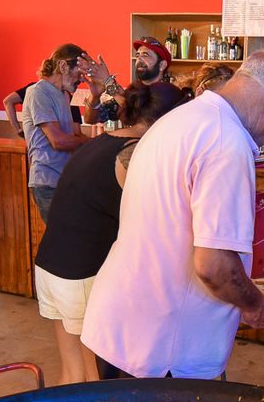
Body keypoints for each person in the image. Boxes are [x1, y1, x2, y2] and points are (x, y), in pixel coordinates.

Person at [81, 51, 264, 379]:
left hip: (121, 325)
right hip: (164, 349)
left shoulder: (181, 117)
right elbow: (213, 266)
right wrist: (253, 304)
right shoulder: (227, 142)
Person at [34, 82, 188, 384]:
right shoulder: (135, 154)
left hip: (51, 267)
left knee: (72, 371)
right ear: (170, 121)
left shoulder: (102, 141)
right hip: (82, 274)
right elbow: (154, 226)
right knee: (95, 384)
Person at [21, 45, 98, 218]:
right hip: (47, 183)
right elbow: (59, 141)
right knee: (64, 240)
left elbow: (73, 136)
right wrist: (93, 142)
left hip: (64, 180)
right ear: (63, 66)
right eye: (79, 73)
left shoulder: (63, 94)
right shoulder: (38, 92)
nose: (82, 79)